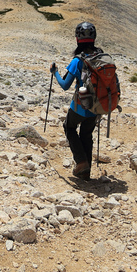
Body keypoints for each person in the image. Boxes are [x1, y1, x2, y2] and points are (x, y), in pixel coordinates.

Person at [51, 21, 102, 180]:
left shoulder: (77, 61)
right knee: (86, 134)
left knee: (69, 127)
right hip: (97, 105)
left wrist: (55, 73)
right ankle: (86, 172)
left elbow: (65, 85)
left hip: (80, 105)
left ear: (77, 39)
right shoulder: (101, 58)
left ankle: (81, 162)